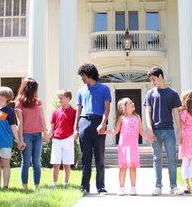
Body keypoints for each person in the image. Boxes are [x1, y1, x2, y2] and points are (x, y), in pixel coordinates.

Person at [144, 67, 183, 196]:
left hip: (169, 131)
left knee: (172, 158)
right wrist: (149, 129)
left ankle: (174, 186)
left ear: (160, 76)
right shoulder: (150, 94)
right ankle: (158, 186)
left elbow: (176, 114)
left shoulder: (173, 93)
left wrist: (180, 131)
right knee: (157, 159)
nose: (152, 82)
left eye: (153, 79)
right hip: (155, 130)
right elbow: (147, 113)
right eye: (150, 80)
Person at [75, 63, 111, 195]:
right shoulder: (81, 91)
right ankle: (84, 186)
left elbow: (106, 108)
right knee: (85, 157)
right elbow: (78, 111)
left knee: (99, 157)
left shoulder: (104, 89)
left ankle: (101, 187)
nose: (82, 79)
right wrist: (76, 129)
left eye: (83, 76)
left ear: (89, 74)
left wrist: (103, 123)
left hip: (98, 122)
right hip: (84, 122)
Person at [107, 98, 147, 196]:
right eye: (130, 103)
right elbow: (115, 131)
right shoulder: (121, 118)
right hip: (124, 147)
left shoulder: (137, 117)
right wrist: (106, 131)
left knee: (133, 166)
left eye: (132, 102)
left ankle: (133, 188)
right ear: (124, 108)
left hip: (133, 146)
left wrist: (149, 137)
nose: (133, 103)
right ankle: (121, 187)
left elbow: (141, 131)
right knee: (123, 167)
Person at [15, 78, 47, 191]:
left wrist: (45, 133)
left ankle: (36, 186)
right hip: (26, 136)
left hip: (38, 135)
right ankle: (25, 187)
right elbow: (20, 123)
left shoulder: (38, 101)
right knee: (26, 162)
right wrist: (20, 139)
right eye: (35, 89)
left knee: (37, 162)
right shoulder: (19, 103)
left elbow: (42, 118)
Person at [0, 87, 21, 189]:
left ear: (7, 98)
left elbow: (13, 127)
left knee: (5, 164)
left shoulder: (10, 111)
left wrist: (19, 140)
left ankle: (5, 186)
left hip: (6, 142)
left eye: (2, 95)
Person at [47, 90, 77, 186]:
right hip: (56, 140)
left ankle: (66, 183)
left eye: (61, 98)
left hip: (68, 139)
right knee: (55, 163)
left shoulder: (74, 112)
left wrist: (75, 136)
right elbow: (51, 127)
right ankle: (55, 183)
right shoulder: (55, 112)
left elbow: (76, 127)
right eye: (58, 98)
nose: (59, 100)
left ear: (68, 99)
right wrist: (47, 136)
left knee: (67, 164)